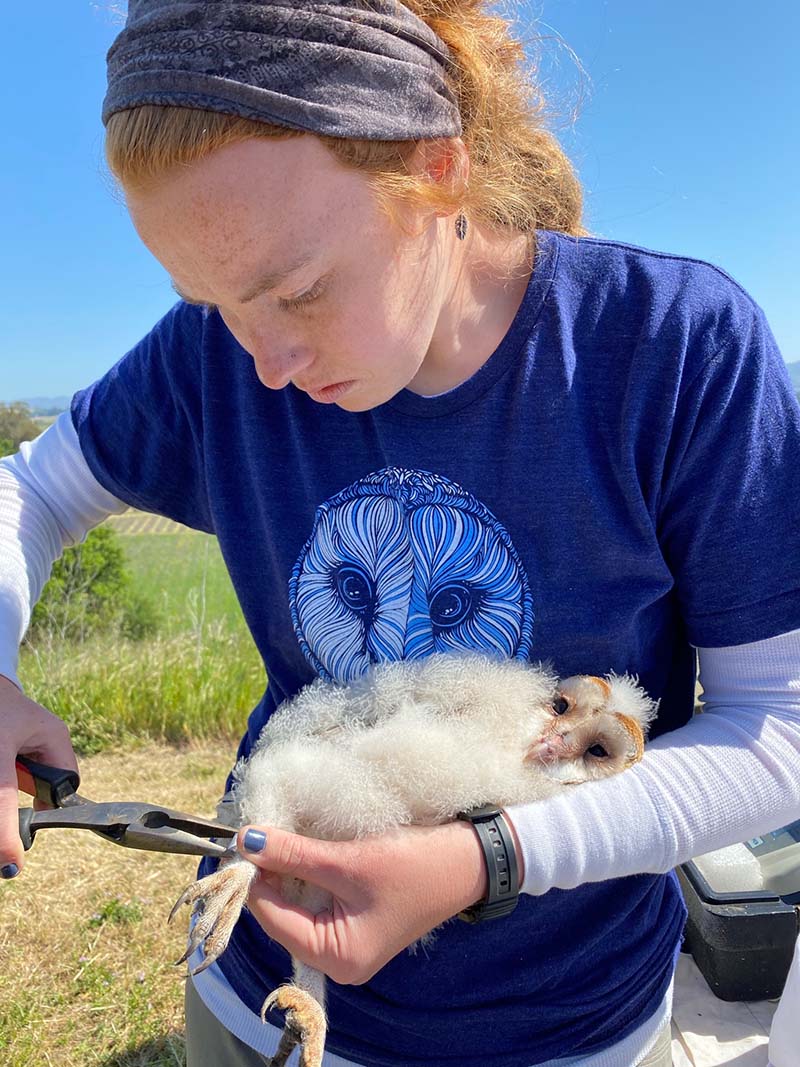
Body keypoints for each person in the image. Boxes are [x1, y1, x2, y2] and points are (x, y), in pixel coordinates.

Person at [1, 2, 799, 1065]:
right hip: (268, 1000)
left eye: (301, 291)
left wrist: (491, 857)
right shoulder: (215, 354)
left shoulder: (669, 349)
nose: (263, 362)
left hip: (573, 1027)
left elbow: (778, 723)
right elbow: (31, 490)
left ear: (436, 172)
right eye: (209, 299)